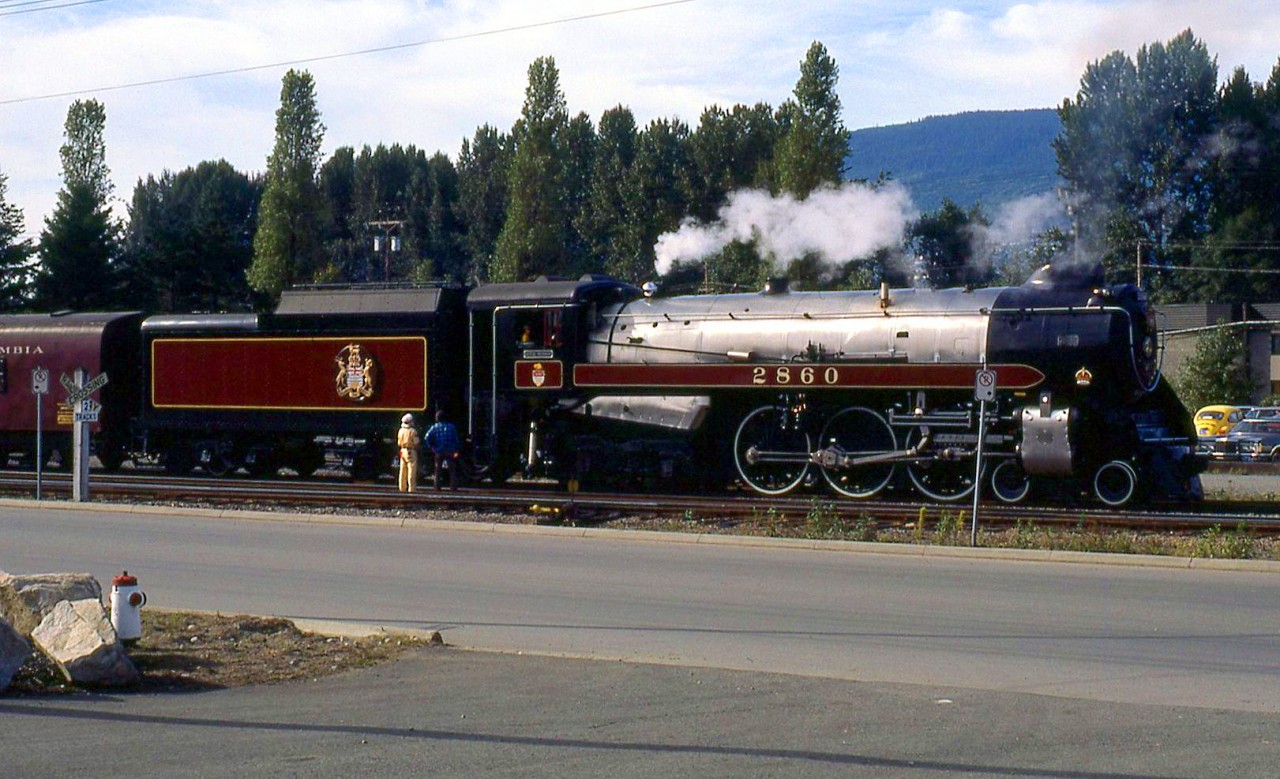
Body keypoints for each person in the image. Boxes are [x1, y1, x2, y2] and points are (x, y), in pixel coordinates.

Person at [425, 409, 462, 490]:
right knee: (452, 470)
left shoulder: (434, 427)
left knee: (437, 470)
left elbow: (427, 437)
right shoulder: (451, 427)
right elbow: (456, 440)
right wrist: (456, 450)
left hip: (439, 451)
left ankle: (437, 486)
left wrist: (432, 447)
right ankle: (453, 486)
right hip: (450, 451)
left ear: (437, 418)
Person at [396, 413, 420, 492]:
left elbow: (399, 443)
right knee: (411, 470)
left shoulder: (400, 430)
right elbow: (416, 442)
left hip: (402, 450)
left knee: (402, 470)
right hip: (411, 451)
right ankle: (411, 488)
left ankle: (402, 487)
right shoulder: (413, 431)